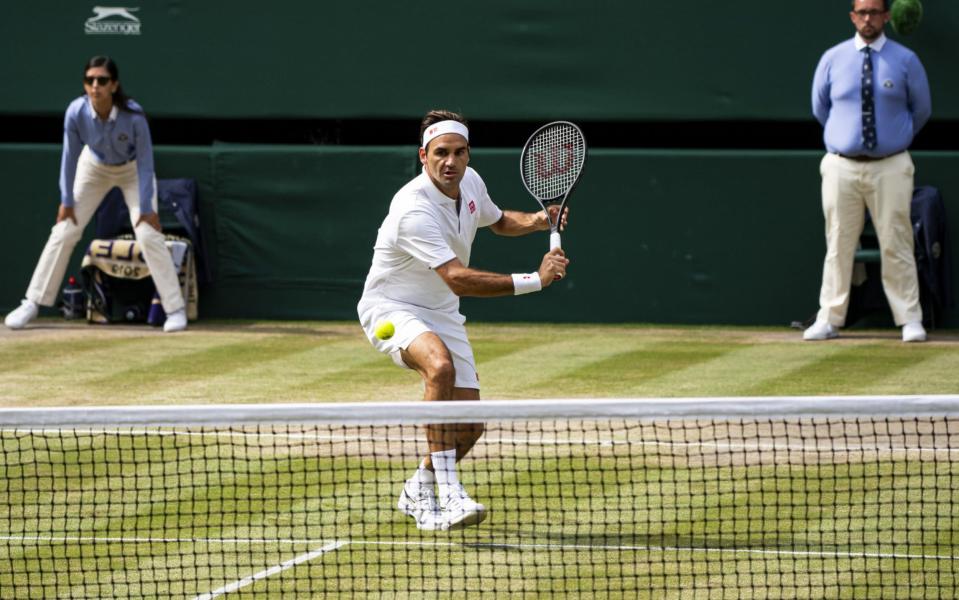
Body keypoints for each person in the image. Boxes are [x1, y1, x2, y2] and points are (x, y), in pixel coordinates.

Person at [357, 110, 569, 531]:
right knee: (439, 366)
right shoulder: (412, 209)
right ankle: (451, 494)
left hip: (443, 312)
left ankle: (419, 487)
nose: (450, 162)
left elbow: (496, 220)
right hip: (392, 307)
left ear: (468, 154)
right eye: (440, 153)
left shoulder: (470, 182)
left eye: (458, 153)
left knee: (470, 428)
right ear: (423, 155)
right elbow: (456, 278)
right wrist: (535, 280)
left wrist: (540, 220)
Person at [4, 56, 187, 333]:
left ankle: (175, 309)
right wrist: (67, 200)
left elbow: (147, 163)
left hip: (132, 170)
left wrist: (148, 210)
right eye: (90, 80)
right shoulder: (75, 112)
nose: (95, 86)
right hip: (94, 167)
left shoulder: (134, 116)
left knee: (148, 234)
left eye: (102, 80)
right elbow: (69, 158)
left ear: (114, 85)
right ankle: (32, 302)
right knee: (65, 230)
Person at [805, 0, 931, 342]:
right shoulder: (833, 58)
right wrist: (845, 139)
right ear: (852, 16)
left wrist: (893, 139)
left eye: (874, 12)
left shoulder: (905, 60)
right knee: (838, 241)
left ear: (886, 16)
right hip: (841, 165)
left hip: (890, 165)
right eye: (861, 12)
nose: (867, 18)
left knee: (897, 240)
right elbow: (821, 107)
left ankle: (909, 318)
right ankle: (829, 317)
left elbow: (921, 110)